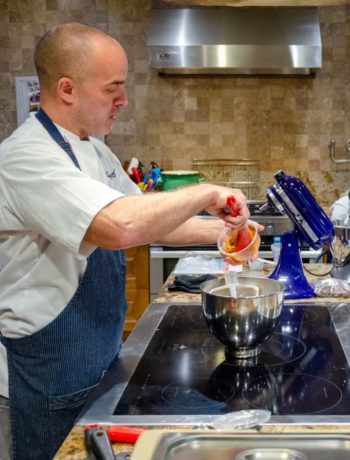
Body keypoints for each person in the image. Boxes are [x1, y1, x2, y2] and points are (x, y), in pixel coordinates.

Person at [0, 23, 257, 460]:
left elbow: (149, 219)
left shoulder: (92, 149)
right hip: (43, 378)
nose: (123, 100)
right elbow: (120, 226)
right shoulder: (26, 158)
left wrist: (226, 233)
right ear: (66, 89)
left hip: (92, 363)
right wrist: (206, 191)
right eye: (113, 88)